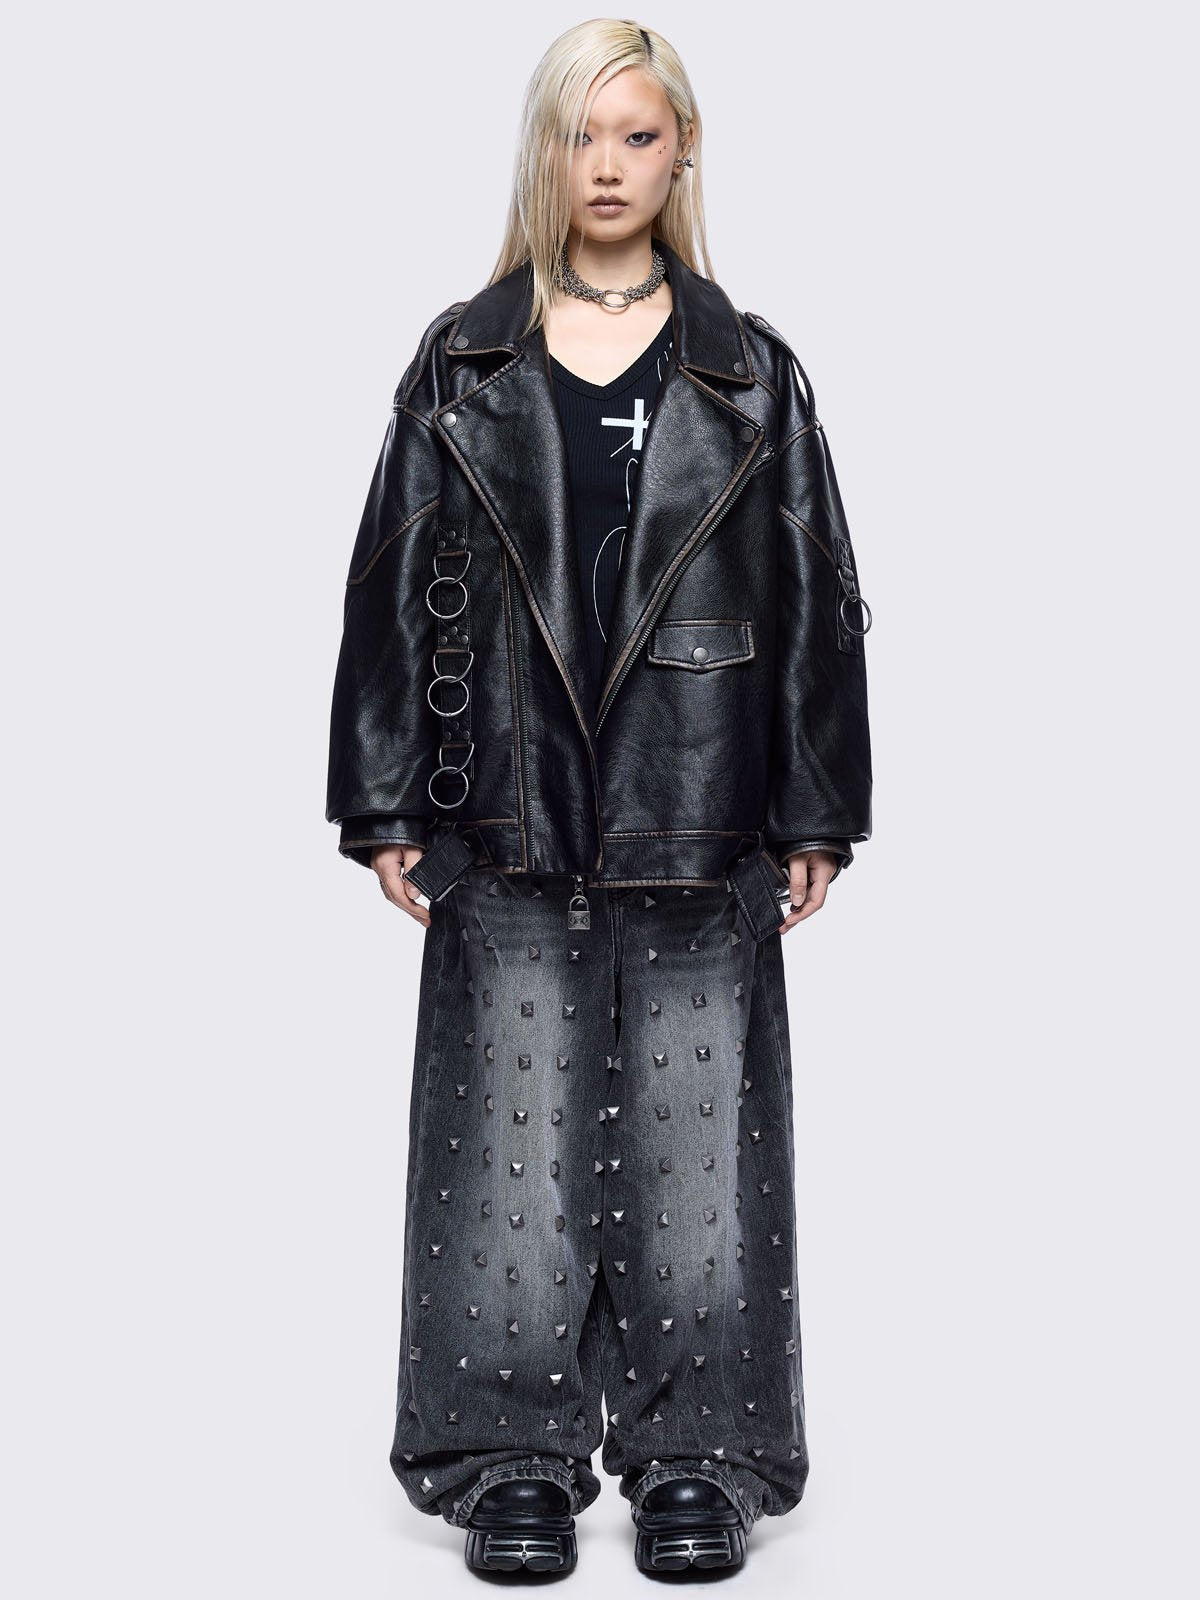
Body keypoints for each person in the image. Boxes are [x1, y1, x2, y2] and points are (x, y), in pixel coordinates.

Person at [325, 18, 873, 1578]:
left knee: (702, 1136)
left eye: (640, 134)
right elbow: (384, 580)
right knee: (510, 1131)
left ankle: (703, 1456)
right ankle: (508, 1456)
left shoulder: (750, 370)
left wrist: (816, 805)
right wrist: (384, 800)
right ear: (546, 150)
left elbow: (818, 596)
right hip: (501, 787)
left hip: (703, 793)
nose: (611, 165)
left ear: (681, 149)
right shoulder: (464, 357)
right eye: (585, 134)